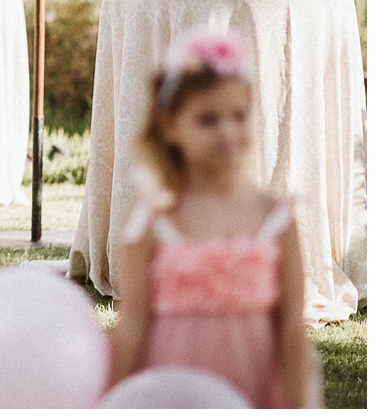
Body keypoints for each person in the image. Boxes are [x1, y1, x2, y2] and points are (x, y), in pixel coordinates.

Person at [108, 29, 320, 407]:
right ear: (171, 127)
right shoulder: (153, 222)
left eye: (238, 116)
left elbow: (290, 328)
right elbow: (133, 325)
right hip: (171, 394)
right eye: (207, 120)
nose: (227, 132)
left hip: (252, 390)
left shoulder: (275, 218)